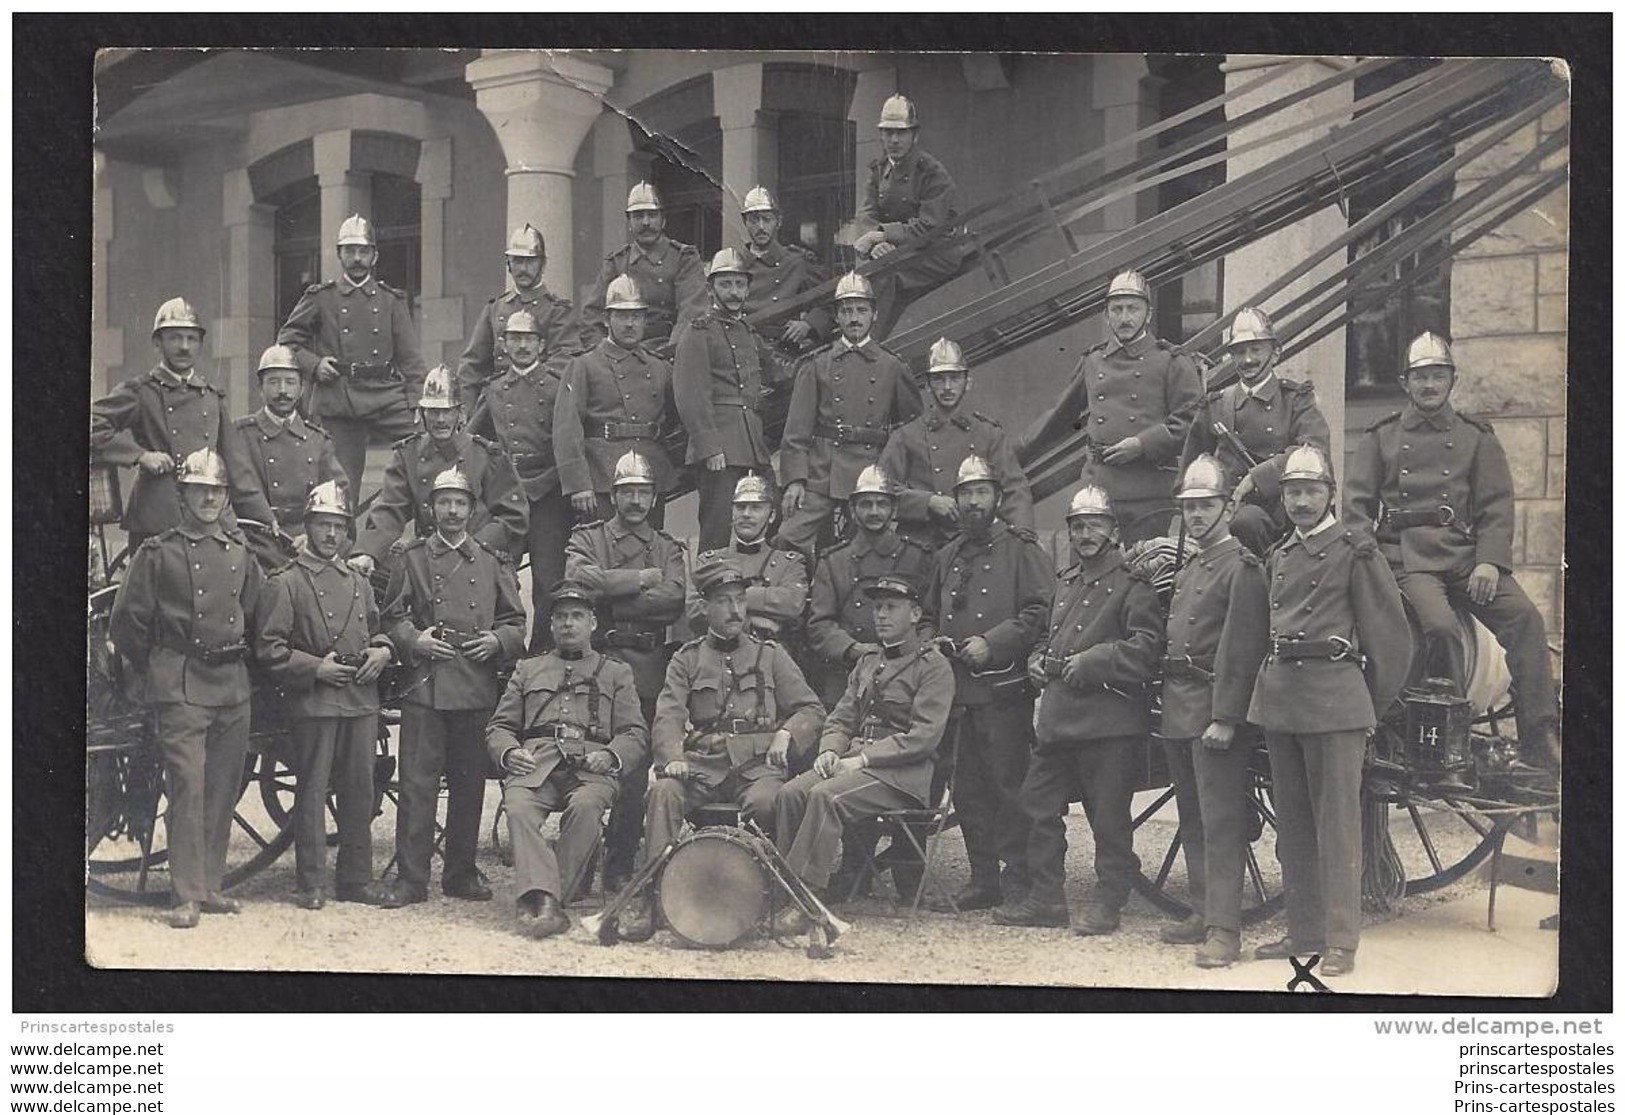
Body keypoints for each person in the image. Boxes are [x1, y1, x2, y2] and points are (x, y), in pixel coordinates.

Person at [1346, 332, 1559, 769]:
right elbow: (1355, 510)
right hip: (1409, 560)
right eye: (1420, 377)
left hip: (1466, 557)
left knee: (1526, 619)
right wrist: (1371, 562)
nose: (1429, 385)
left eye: (1437, 376)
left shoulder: (1475, 436)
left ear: (1452, 380)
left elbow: (1497, 505)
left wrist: (1489, 561)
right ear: (1405, 382)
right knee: (1441, 628)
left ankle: (1541, 739)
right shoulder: (1381, 437)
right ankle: (1445, 737)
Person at [1249, 445, 1411, 977]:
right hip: (1283, 702)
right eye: (1292, 492)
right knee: (1293, 825)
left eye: (1310, 491)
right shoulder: (1282, 555)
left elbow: (1391, 643)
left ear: (1330, 495)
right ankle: (1304, 929)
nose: (1300, 501)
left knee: (1337, 825)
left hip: (1335, 703)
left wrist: (1365, 705)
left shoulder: (1355, 551)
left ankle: (1342, 940)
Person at [618, 557, 824, 940]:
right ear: (706, 608)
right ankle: (652, 898)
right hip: (701, 767)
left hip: (758, 768)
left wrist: (787, 735)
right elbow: (668, 716)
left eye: (740, 601)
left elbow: (811, 708)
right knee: (663, 793)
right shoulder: (687, 659)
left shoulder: (771, 655)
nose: (735, 610)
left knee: (768, 801)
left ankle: (763, 898)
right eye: (724, 601)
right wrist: (674, 758)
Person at [993, 484, 1164, 934]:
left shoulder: (1132, 583)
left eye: (1095, 525)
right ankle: (1047, 899)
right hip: (1058, 721)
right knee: (1035, 807)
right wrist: (1035, 661)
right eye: (1078, 526)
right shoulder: (1065, 583)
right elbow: (1052, 638)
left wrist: (1095, 661)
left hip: (1109, 722)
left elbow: (1146, 649)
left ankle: (1108, 903)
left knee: (1108, 820)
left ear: (1112, 530)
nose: (1086, 533)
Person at [109, 449, 267, 928]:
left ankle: (211, 886)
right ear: (183, 496)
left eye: (216, 492)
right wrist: (158, 670)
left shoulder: (241, 552)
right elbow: (127, 623)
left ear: (224, 498)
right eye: (200, 491)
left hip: (231, 686)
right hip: (180, 684)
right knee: (188, 787)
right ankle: (185, 894)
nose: (209, 500)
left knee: (221, 790)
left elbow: (259, 618)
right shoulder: (159, 552)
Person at [379, 466, 528, 907]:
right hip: (426, 684)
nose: (451, 510)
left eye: (459, 502)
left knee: (468, 786)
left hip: (474, 685)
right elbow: (391, 616)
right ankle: (411, 878)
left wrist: (497, 640)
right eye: (444, 501)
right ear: (432, 508)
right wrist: (415, 639)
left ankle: (460, 873)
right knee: (417, 785)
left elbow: (516, 623)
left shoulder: (490, 560)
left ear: (472, 510)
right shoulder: (413, 557)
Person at [773, 573, 954, 924]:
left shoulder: (934, 668)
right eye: (878, 607)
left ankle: (806, 901)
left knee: (827, 796)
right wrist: (829, 750)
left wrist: (863, 759)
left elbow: (923, 737)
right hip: (856, 765)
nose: (881, 615)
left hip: (903, 776)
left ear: (915, 615)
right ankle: (783, 888)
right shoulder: (868, 662)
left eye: (892, 607)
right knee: (791, 793)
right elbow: (842, 718)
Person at [1148, 456, 1269, 966]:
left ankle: (1225, 930)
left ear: (1227, 508)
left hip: (1213, 709)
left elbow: (1242, 649)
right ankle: (1201, 911)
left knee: (1220, 822)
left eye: (1206, 507)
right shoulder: (1194, 564)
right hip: (1179, 705)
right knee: (1193, 818)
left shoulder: (1242, 566)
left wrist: (1226, 716)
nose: (1196, 516)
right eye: (1190, 508)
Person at [921, 455, 1054, 911]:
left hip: (1003, 691)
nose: (973, 502)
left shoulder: (1022, 548)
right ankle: (983, 879)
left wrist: (992, 644)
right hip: (957, 694)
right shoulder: (947, 556)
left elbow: (1039, 611)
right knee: (969, 790)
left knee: (1010, 787)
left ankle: (1019, 879)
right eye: (965, 494)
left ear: (997, 497)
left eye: (981, 493)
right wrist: (932, 645)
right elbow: (924, 617)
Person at [254, 480, 395, 910]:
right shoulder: (286, 582)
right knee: (313, 790)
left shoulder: (357, 580)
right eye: (322, 526)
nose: (331, 535)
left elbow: (376, 627)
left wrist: (383, 650)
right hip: (314, 701)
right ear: (308, 527)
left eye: (338, 526)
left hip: (360, 700)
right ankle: (311, 882)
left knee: (359, 789)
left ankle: (355, 880)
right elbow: (270, 649)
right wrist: (316, 667)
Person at [487, 580, 647, 938]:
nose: (568, 624)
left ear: (592, 622)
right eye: (560, 617)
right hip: (538, 765)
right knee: (517, 806)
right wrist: (511, 752)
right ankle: (551, 899)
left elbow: (635, 733)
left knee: (587, 806)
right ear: (550, 624)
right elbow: (499, 727)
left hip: (592, 768)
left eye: (577, 616)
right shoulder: (528, 669)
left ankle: (546, 896)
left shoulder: (616, 672)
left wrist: (611, 754)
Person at [564, 450, 688, 893]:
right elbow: (578, 581)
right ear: (613, 496)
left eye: (643, 492)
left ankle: (618, 864)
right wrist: (640, 580)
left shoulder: (668, 548)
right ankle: (577, 866)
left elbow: (674, 597)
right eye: (627, 492)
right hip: (596, 668)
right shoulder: (588, 538)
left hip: (647, 669)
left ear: (654, 497)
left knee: (633, 772)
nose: (635, 500)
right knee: (586, 766)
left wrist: (609, 590)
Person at [1021, 269, 1203, 544]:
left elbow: (1193, 421)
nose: (1125, 317)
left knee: (1145, 576)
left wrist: (1141, 444)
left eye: (1133, 308)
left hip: (1148, 493)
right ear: (1107, 315)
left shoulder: (1172, 362)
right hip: (1098, 491)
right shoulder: (1092, 362)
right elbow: (1058, 417)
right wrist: (1013, 453)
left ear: (1149, 314)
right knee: (1090, 577)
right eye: (1116, 309)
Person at [91, 298, 274, 547]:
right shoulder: (141, 391)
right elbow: (93, 423)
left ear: (200, 344)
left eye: (191, 339)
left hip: (210, 515)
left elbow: (237, 467)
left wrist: (265, 516)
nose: (184, 347)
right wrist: (140, 455)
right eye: (175, 338)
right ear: (158, 343)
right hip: (159, 516)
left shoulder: (212, 397)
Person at [276, 214, 429, 490]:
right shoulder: (321, 297)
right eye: (350, 251)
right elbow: (286, 342)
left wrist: (418, 400)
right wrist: (314, 364)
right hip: (339, 395)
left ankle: (424, 519)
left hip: (385, 393)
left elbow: (410, 358)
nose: (357, 258)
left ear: (375, 256)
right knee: (342, 486)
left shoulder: (391, 300)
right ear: (339, 254)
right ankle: (345, 532)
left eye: (363, 251)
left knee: (429, 445)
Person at [779, 271, 923, 556]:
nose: (854, 318)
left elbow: (911, 428)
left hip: (872, 472)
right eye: (846, 311)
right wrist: (795, 480)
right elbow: (796, 432)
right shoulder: (816, 365)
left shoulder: (892, 367)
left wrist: (894, 471)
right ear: (837, 317)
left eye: (861, 310)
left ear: (874, 314)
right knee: (787, 539)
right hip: (823, 472)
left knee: (868, 549)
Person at [1180, 307, 1331, 557]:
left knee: (1247, 523)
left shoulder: (1295, 399)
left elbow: (1316, 451)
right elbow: (1191, 465)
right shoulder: (1216, 404)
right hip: (1226, 512)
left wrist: (1258, 477)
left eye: (1255, 350)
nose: (1248, 359)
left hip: (1285, 513)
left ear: (1275, 353)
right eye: (1240, 352)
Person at [351, 365, 528, 576]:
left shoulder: (486, 455)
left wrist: (471, 547)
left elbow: (513, 517)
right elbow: (390, 508)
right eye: (434, 411)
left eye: (447, 411)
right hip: (429, 561)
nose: (440, 420)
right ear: (423, 413)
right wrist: (369, 552)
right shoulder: (408, 454)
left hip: (480, 559)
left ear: (460, 413)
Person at [467, 310, 572, 649]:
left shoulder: (558, 387)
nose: (522, 345)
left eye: (529, 338)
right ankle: (503, 651)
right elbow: (473, 441)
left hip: (548, 495)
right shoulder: (495, 390)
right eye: (515, 338)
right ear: (505, 345)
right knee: (497, 572)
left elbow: (569, 439)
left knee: (548, 579)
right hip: (507, 499)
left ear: (542, 345)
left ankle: (542, 652)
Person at [878, 337, 1033, 550]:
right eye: (940, 379)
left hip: (976, 544)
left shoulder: (988, 434)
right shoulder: (906, 435)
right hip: (919, 545)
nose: (948, 387)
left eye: (954, 378)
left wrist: (1023, 540)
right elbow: (881, 491)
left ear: (967, 383)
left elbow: (1015, 490)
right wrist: (927, 502)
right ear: (927, 384)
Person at [673, 247, 779, 551]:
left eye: (739, 284)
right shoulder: (698, 332)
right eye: (725, 284)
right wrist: (710, 447)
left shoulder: (747, 332)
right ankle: (711, 593)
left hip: (752, 444)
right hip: (719, 447)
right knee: (717, 527)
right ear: (710, 288)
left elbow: (775, 373)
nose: (733, 292)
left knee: (772, 516)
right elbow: (691, 394)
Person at [805, 464, 935, 707]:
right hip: (848, 674)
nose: (874, 511)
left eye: (882, 504)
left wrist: (916, 650)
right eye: (866, 504)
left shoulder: (918, 556)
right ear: (853, 510)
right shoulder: (834, 560)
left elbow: (929, 617)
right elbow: (819, 625)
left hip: (908, 674)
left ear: (894, 509)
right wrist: (854, 649)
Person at [554, 275, 677, 525]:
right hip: (602, 475)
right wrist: (579, 484)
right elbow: (567, 428)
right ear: (607, 319)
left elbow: (676, 417)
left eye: (636, 316)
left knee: (649, 552)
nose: (630, 324)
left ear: (644, 320)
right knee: (603, 554)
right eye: (622, 316)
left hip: (649, 474)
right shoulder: (584, 365)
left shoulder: (660, 367)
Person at [852, 94, 965, 340]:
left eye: (901, 133)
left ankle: (868, 343)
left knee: (886, 274)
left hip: (937, 251)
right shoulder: (878, 170)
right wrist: (876, 243)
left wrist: (881, 235)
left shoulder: (932, 172)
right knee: (865, 275)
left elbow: (929, 226)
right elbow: (865, 213)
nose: (894, 139)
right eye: (888, 132)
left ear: (914, 135)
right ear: (881, 135)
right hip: (896, 251)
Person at [456, 222, 582, 413]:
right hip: (497, 407)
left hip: (541, 407)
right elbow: (472, 367)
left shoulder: (557, 311)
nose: (523, 268)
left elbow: (563, 364)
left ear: (543, 264)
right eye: (517, 261)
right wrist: (466, 411)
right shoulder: (495, 309)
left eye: (530, 261)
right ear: (508, 264)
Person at [234, 344, 348, 535]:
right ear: (260, 388)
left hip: (307, 539)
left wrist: (313, 537)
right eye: (273, 382)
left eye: (290, 382)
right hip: (255, 538)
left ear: (302, 389)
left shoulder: (317, 440)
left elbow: (339, 493)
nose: (282, 391)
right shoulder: (240, 434)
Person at [581, 181, 706, 350]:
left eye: (652, 215)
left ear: (663, 221)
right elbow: (592, 317)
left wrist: (671, 353)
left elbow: (691, 313)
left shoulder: (684, 258)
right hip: (622, 355)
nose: (646, 222)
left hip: (669, 350)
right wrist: (603, 356)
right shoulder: (617, 263)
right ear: (629, 222)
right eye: (638, 216)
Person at [686, 474, 809, 644]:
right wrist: (754, 623)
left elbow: (793, 603)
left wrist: (725, 598)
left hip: (771, 662)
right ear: (732, 513)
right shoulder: (709, 561)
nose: (746, 514)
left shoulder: (789, 563)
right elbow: (695, 612)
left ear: (772, 516)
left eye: (756, 508)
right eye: (740, 507)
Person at [738, 185, 832, 356]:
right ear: (745, 222)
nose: (760, 227)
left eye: (767, 219)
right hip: (742, 352)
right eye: (754, 220)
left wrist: (808, 324)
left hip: (782, 353)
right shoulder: (734, 264)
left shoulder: (796, 262)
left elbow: (828, 300)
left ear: (778, 222)